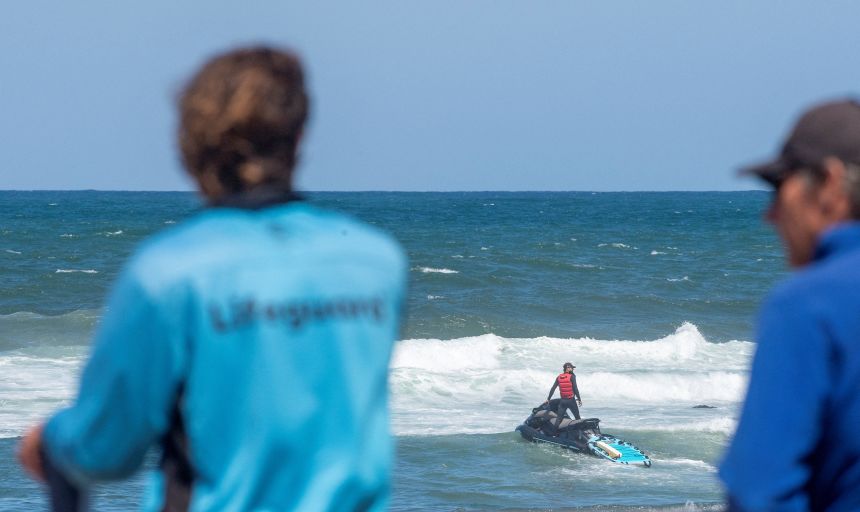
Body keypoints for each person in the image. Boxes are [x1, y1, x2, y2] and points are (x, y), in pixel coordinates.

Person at [17, 47, 408, 511]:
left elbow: (106, 451)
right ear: (299, 139)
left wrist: (52, 440)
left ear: (188, 149)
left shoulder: (170, 271)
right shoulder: (376, 263)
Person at [719, 99, 860, 511]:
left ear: (831, 183)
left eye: (781, 189)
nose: (772, 214)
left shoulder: (812, 303)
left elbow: (759, 490)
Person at [544, 362, 582, 434]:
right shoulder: (572, 376)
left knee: (559, 419)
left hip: (563, 401)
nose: (572, 369)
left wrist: (548, 398)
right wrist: (579, 399)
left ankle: (554, 434)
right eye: (571, 368)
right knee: (577, 418)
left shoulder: (559, 377)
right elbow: (575, 388)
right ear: (567, 368)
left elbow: (553, 388)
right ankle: (580, 434)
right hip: (571, 401)